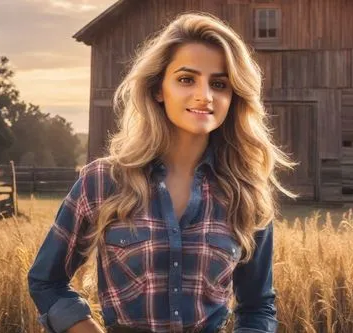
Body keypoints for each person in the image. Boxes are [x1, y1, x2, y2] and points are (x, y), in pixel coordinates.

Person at [28, 11, 296, 333]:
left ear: (233, 96)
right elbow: (46, 280)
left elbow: (257, 306)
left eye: (219, 84)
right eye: (186, 79)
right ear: (158, 88)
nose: (204, 95)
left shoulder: (247, 193)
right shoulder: (103, 181)